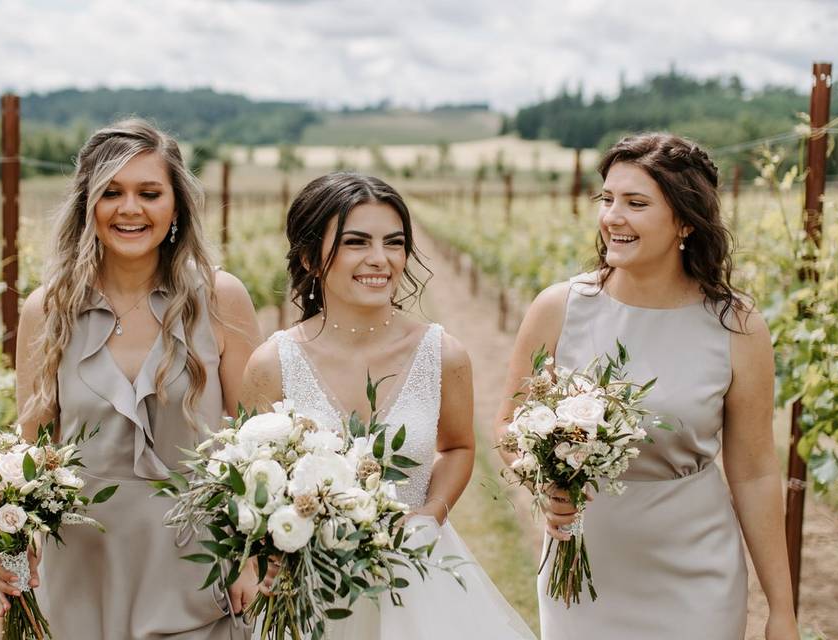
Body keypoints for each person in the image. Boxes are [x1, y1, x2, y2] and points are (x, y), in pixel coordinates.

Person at [495, 133, 799, 640]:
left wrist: (782, 611)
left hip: (697, 572)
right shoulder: (558, 308)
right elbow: (508, 426)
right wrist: (548, 482)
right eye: (608, 199)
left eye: (636, 203)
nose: (613, 216)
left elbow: (754, 474)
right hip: (584, 568)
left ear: (685, 220)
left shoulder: (736, 325)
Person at [0, 119, 265, 639]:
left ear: (177, 204)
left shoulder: (221, 298)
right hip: (81, 570)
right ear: (87, 205)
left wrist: (250, 559)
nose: (130, 209)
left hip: (198, 567)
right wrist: (10, 554)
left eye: (149, 192)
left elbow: (257, 446)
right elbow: (27, 455)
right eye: (111, 192)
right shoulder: (47, 310)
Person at [241, 172, 537, 639]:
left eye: (394, 243)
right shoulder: (272, 364)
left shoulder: (444, 355)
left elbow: (458, 447)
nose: (380, 259)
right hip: (313, 590)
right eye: (356, 242)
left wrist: (434, 509)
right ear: (308, 257)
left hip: (417, 575)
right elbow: (256, 480)